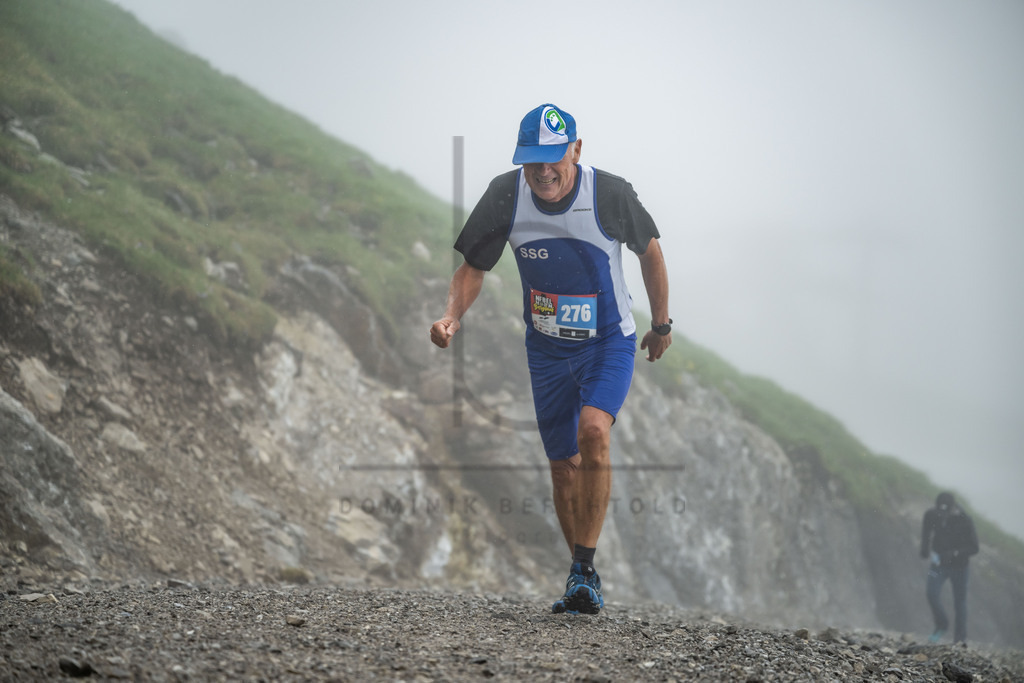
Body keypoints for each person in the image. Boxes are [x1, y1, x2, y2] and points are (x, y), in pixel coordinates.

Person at [429, 103, 672, 614]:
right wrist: (453, 317)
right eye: (531, 160)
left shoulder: (608, 194)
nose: (542, 171)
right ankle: (582, 575)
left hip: (608, 340)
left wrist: (661, 324)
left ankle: (582, 568)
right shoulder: (506, 196)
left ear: (576, 150)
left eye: (553, 158)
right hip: (545, 349)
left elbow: (649, 252)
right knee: (563, 467)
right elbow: (472, 267)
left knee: (594, 432)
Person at [919, 491, 979, 644]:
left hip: (960, 567)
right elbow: (926, 530)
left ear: (953, 508)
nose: (942, 515)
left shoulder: (965, 520)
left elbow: (974, 548)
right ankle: (942, 624)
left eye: (946, 512)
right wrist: (925, 549)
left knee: (960, 602)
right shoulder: (932, 514)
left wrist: (954, 553)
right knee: (931, 593)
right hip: (938, 564)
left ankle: (959, 639)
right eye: (940, 511)